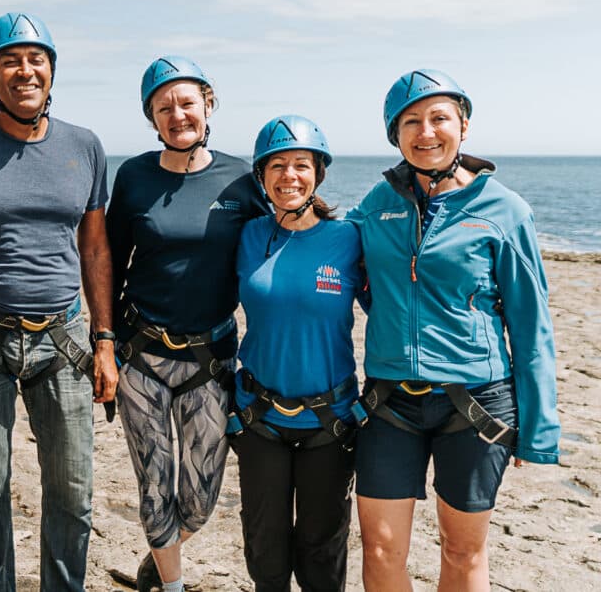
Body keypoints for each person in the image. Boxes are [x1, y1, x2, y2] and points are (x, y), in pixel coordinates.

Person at [0, 12, 118, 592]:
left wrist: (105, 341)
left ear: (52, 71)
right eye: (10, 60)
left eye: (37, 59)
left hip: (64, 338)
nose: (25, 70)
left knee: (74, 494)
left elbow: (97, 251)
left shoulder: (85, 147)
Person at [348, 69, 560, 591]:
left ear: (463, 126)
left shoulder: (504, 210)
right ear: (395, 135)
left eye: (439, 118)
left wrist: (540, 431)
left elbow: (532, 326)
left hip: (478, 404)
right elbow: (336, 258)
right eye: (411, 122)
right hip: (389, 401)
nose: (426, 133)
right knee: (378, 549)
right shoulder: (376, 206)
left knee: (463, 551)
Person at [105, 56, 265, 592]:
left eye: (187, 103)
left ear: (209, 104)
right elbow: (108, 264)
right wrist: (103, 343)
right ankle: (171, 586)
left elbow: (281, 241)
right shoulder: (132, 177)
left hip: (211, 358)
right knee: (154, 485)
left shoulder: (243, 178)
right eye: (164, 107)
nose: (178, 115)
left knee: (199, 499)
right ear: (152, 118)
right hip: (141, 356)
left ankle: (160, 554)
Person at [232, 115, 362, 592]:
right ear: (262, 176)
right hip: (259, 419)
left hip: (330, 422)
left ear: (318, 173)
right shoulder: (246, 236)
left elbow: (393, 309)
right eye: (278, 165)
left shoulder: (348, 238)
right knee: (264, 550)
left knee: (322, 552)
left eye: (301, 165)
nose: (290, 175)